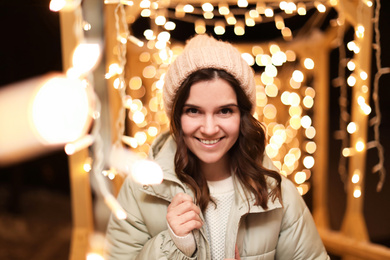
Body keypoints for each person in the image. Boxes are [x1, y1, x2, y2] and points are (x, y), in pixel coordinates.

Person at [105, 34, 329, 260]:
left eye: (224, 111)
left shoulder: (279, 195)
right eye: (194, 110)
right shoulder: (141, 192)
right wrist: (174, 245)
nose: (210, 128)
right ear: (176, 117)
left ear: (242, 115)